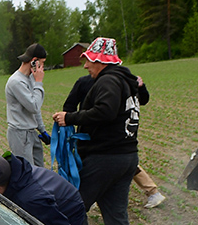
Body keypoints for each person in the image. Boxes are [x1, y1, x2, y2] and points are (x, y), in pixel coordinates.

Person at [52, 37, 141, 225]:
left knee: (73, 206)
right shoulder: (126, 81)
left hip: (105, 157)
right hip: (127, 157)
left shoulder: (108, 81)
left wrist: (69, 118)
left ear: (101, 61)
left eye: (89, 60)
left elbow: (105, 111)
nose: (85, 66)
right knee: (116, 214)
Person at [63, 72, 165, 208]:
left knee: (117, 165)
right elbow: (69, 106)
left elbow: (143, 100)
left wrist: (141, 87)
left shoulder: (123, 80)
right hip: (89, 135)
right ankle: (152, 192)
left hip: (114, 136)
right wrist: (69, 121)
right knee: (90, 166)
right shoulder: (84, 82)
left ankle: (152, 192)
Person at [5, 43, 48, 166]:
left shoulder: (30, 79)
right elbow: (33, 106)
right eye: (42, 63)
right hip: (19, 134)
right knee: (27, 172)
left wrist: (42, 130)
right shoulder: (16, 82)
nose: (43, 67)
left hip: (31, 132)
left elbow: (36, 109)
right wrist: (39, 82)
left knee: (40, 171)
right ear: (34, 61)